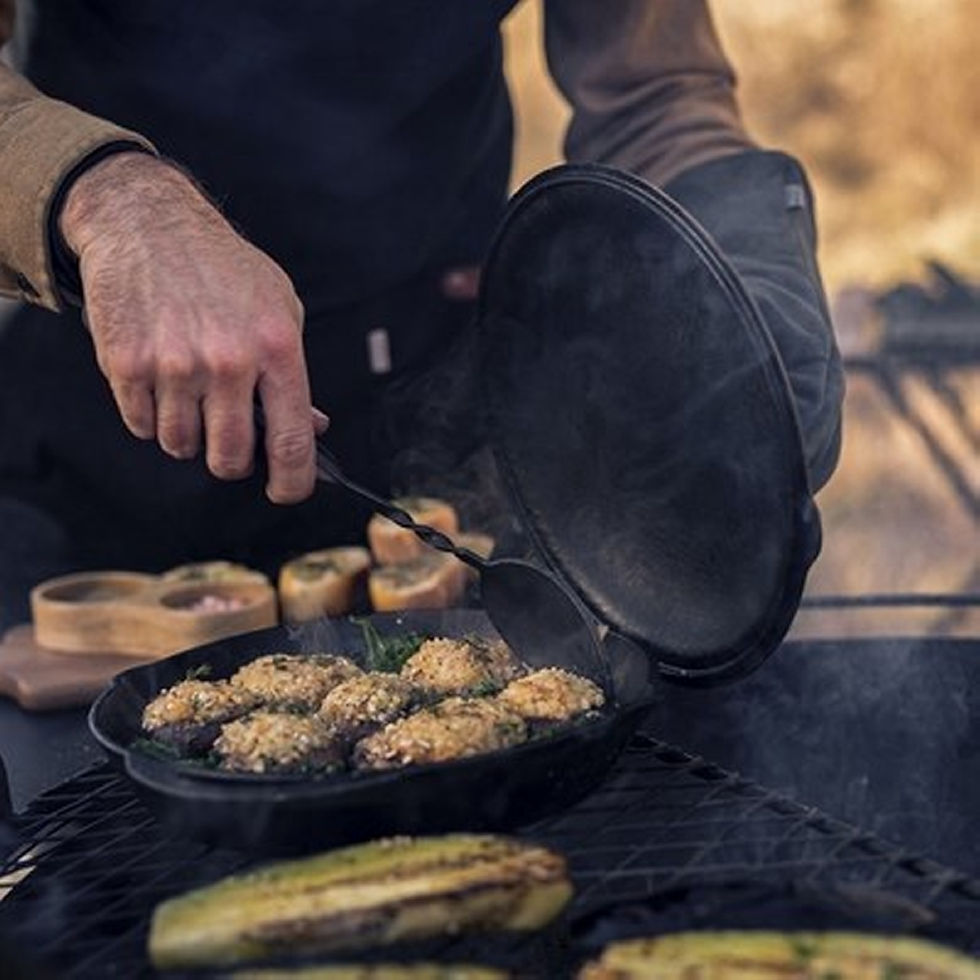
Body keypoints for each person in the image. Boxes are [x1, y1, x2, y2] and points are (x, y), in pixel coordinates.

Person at [0, 1, 843, 631]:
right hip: (117, 444)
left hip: (444, 417)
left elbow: (655, 95)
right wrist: (114, 203)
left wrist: (740, 271)